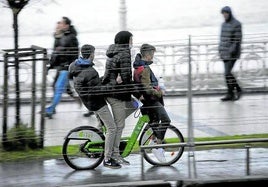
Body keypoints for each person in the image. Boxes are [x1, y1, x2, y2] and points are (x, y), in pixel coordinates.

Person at [69, 44, 121, 169]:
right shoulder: (90, 71)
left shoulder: (75, 66)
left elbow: (91, 85)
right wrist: (115, 83)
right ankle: (107, 158)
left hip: (88, 101)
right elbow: (99, 91)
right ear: (91, 54)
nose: (94, 55)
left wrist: (104, 79)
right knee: (112, 128)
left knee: (101, 126)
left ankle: (95, 148)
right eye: (94, 53)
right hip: (97, 103)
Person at [102, 31, 136, 165]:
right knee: (119, 125)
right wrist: (138, 90)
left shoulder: (113, 52)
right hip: (116, 94)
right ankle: (113, 155)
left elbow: (118, 74)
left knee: (133, 106)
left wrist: (121, 78)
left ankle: (114, 150)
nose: (132, 43)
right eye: (131, 40)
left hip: (110, 90)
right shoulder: (124, 53)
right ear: (126, 41)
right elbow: (126, 76)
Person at [133, 44, 170, 143]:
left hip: (146, 101)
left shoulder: (138, 67)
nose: (153, 56)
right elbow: (147, 88)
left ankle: (154, 139)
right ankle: (159, 140)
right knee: (166, 120)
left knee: (154, 122)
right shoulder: (144, 68)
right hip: (151, 100)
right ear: (148, 55)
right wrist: (159, 93)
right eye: (152, 54)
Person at [46, 17, 79, 118]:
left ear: (66, 25)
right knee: (62, 88)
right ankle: (89, 106)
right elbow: (56, 53)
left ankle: (50, 110)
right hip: (61, 67)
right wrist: (51, 65)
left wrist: (69, 67)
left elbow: (73, 53)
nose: (59, 25)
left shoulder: (70, 37)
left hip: (65, 68)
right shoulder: (62, 37)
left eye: (61, 23)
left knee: (59, 88)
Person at [219, 6, 242, 101]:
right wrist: (220, 49)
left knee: (227, 73)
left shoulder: (236, 24)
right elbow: (222, 39)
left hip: (232, 54)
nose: (224, 15)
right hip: (224, 53)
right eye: (223, 13)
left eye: (226, 13)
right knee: (227, 74)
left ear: (230, 13)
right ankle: (231, 93)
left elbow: (237, 40)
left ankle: (237, 90)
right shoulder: (223, 25)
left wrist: (231, 51)